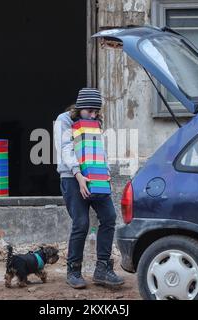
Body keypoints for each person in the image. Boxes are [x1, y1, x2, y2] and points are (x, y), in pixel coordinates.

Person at [54, 88, 124, 289]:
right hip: (72, 177)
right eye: (90, 111)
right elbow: (65, 147)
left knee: (109, 217)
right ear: (80, 107)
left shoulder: (95, 122)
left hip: (96, 176)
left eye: (96, 111)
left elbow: (99, 150)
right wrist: (78, 175)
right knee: (81, 223)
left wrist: (106, 172)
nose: (93, 115)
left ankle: (102, 269)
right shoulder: (64, 120)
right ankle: (73, 270)